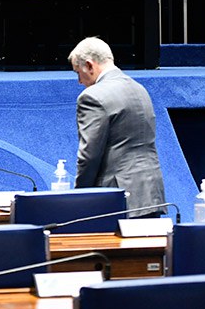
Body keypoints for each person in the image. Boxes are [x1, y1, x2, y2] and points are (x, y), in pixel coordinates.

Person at [68, 37, 166, 217]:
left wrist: (79, 198)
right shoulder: (139, 89)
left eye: (78, 73)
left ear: (89, 65)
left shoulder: (92, 97)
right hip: (152, 193)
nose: (79, 82)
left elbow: (89, 156)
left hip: (117, 197)